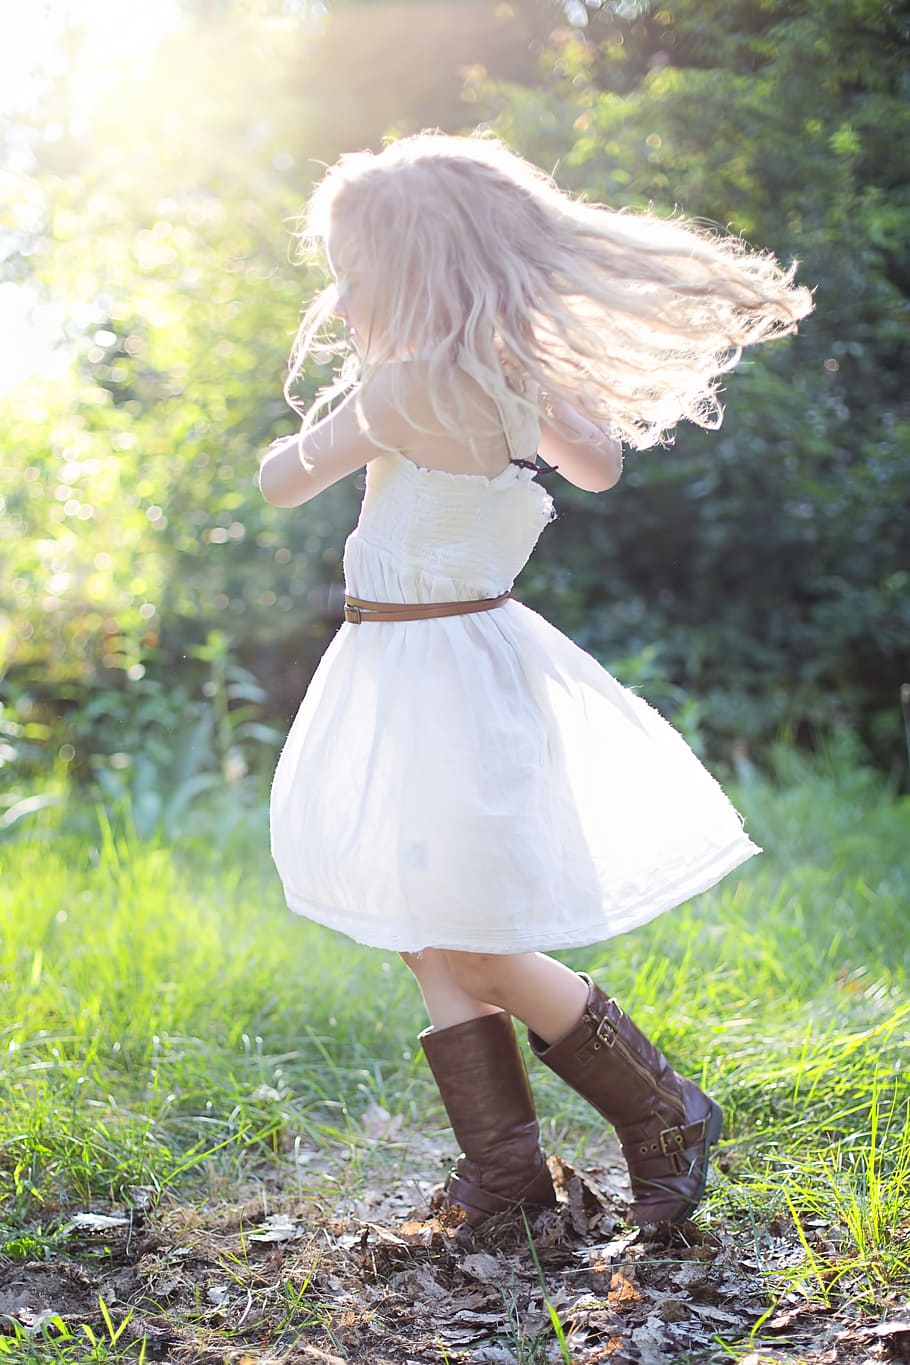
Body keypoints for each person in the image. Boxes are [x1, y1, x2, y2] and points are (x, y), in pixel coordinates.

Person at [259, 131, 812, 1229]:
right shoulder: (510, 383)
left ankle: (662, 1112)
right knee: (431, 924)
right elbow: (598, 467)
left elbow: (280, 481)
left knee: (464, 934)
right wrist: (533, 393)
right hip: (452, 666)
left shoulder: (394, 390)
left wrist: (368, 406)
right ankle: (508, 1183)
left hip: (433, 677)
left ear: (391, 273)